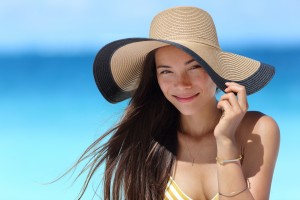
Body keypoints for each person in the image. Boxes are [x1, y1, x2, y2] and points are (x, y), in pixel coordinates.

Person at [76, 6, 280, 200]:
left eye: (194, 67)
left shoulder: (257, 130)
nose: (182, 84)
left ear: (215, 70)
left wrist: (226, 141)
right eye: (166, 71)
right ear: (155, 78)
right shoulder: (148, 145)